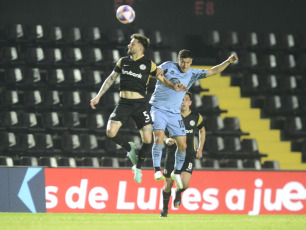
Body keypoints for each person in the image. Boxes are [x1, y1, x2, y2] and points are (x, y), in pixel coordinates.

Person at [90, 34, 186, 184]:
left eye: (132, 44)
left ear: (140, 48)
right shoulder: (123, 61)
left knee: (148, 139)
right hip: (124, 104)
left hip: (140, 105)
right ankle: (129, 148)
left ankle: (138, 167)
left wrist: (174, 86)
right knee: (110, 132)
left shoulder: (149, 64)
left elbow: (163, 80)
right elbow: (110, 79)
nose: (129, 46)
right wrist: (98, 96)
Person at [149, 49, 238, 189]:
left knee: (183, 145)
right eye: (182, 62)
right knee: (159, 136)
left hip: (174, 113)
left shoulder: (192, 73)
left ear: (191, 62)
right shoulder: (168, 66)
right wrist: (165, 78)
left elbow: (214, 71)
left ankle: (177, 172)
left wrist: (228, 61)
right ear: (178, 60)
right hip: (159, 107)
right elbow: (156, 72)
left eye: (187, 63)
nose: (184, 66)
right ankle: (156, 170)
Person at [160, 92, 206, 217]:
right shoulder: (171, 115)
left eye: (186, 99)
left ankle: (178, 192)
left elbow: (202, 130)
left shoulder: (196, 116)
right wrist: (165, 139)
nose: (183, 102)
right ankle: (164, 210)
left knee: (185, 184)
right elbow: (160, 131)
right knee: (167, 184)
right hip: (172, 153)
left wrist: (200, 149)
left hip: (189, 154)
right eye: (181, 99)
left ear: (190, 102)